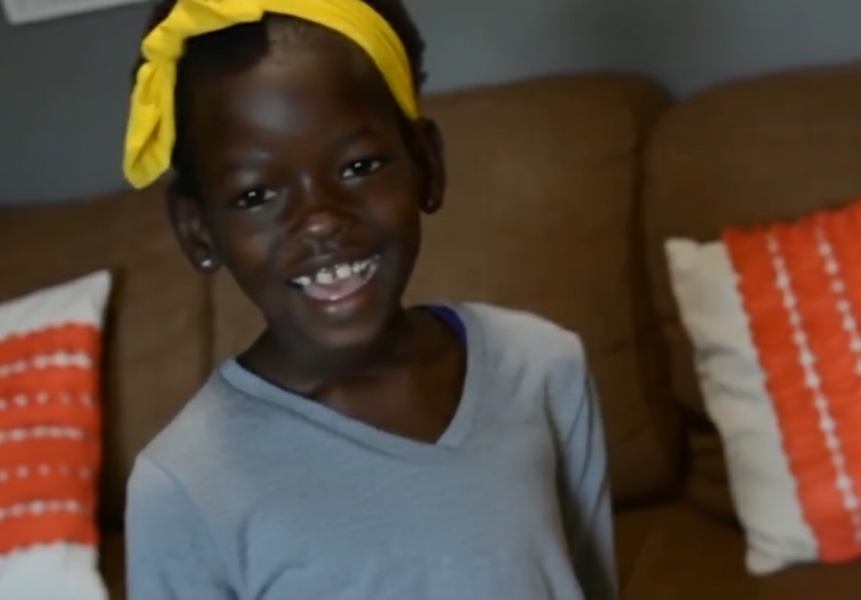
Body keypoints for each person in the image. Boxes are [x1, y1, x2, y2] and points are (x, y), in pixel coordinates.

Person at [122, 1, 618, 599]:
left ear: (427, 165)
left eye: (359, 165)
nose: (322, 220)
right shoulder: (180, 486)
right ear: (198, 231)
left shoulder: (542, 366)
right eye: (256, 196)